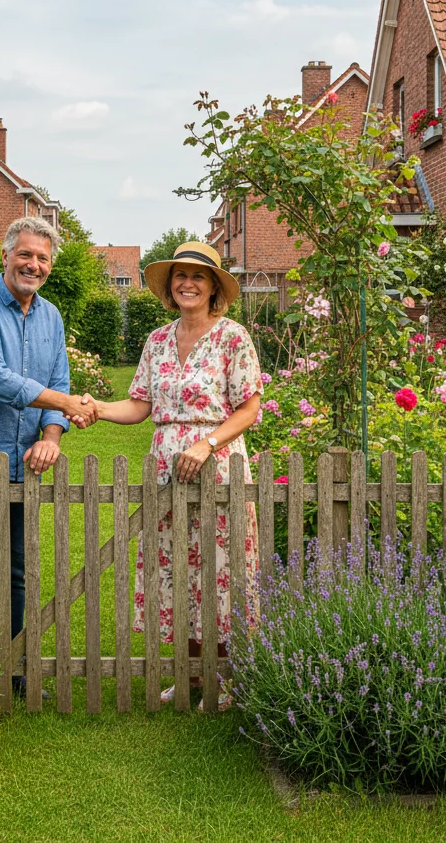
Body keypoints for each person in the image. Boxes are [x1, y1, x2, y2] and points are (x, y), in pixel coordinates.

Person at [81, 241, 262, 710]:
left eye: (198, 276)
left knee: (221, 570)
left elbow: (250, 409)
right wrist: (97, 409)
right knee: (177, 566)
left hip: (218, 466)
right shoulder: (157, 340)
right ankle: (192, 676)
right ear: (169, 286)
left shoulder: (233, 338)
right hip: (166, 466)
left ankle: (228, 678)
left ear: (214, 288)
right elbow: (141, 404)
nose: (187, 283)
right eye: (180, 275)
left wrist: (206, 443)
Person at [0, 216, 97, 694]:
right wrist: (66, 405)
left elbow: (60, 380)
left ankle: (12, 668)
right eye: (25, 254)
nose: (33, 264)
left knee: (16, 571)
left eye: (42, 258)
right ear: (5, 256)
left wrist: (51, 437)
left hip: (23, 463)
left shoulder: (51, 316)